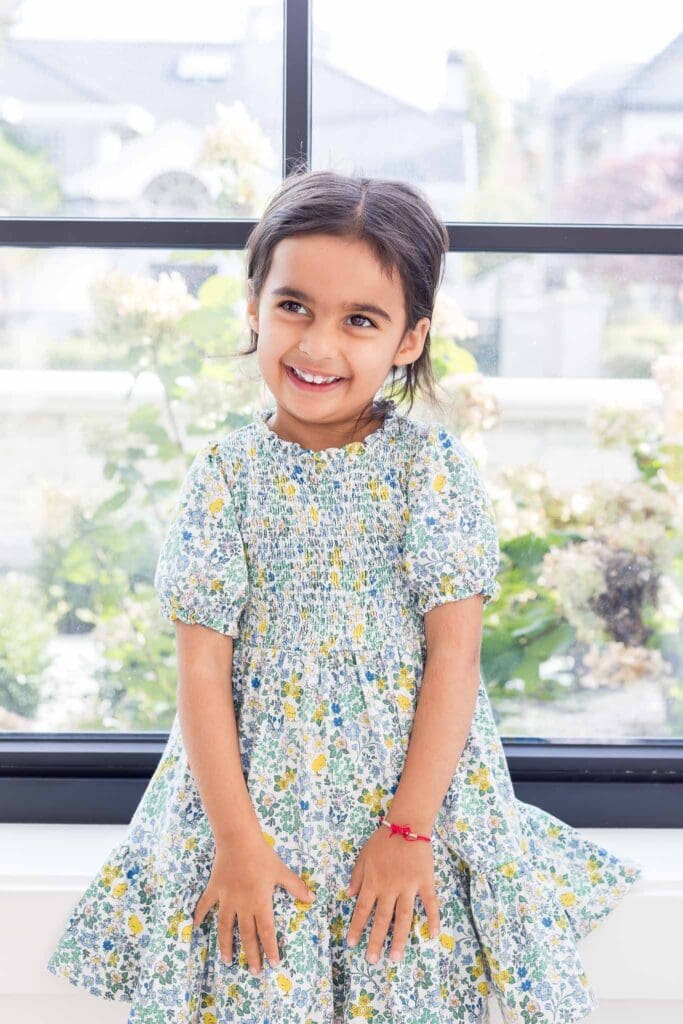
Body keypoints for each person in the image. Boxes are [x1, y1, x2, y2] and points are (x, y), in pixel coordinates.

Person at [46, 167, 643, 1024]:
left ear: (407, 339)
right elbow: (201, 677)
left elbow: (455, 656)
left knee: (403, 978)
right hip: (256, 812)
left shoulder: (428, 473)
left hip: (407, 805)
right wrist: (238, 844)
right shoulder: (225, 477)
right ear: (253, 306)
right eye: (294, 306)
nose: (317, 347)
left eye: (359, 321)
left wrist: (407, 835)